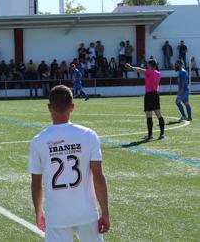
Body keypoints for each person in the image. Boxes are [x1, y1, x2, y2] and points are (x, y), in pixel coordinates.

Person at [29, 85, 110, 242]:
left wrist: (38, 211)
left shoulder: (38, 141)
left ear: (49, 108)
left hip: (56, 214)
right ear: (72, 107)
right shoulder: (89, 135)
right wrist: (105, 212)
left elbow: (36, 184)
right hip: (86, 212)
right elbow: (98, 177)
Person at [126, 59, 165, 140]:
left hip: (149, 95)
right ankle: (162, 133)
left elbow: (140, 70)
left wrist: (131, 67)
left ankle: (150, 135)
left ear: (150, 65)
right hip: (156, 95)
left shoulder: (149, 72)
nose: (146, 65)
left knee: (149, 115)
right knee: (159, 114)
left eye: (147, 64)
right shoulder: (158, 73)